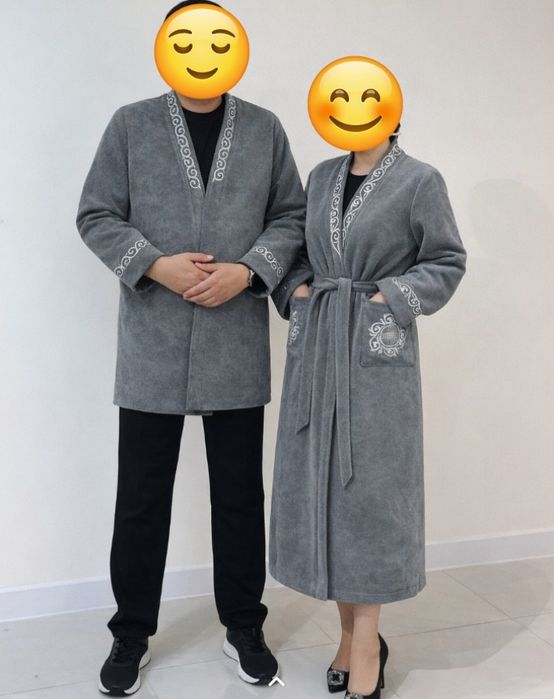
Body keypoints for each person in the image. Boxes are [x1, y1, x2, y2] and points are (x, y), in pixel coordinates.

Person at [75, 1, 306, 694]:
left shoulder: (264, 130)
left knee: (238, 496)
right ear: (165, 48)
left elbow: (291, 215)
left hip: (235, 340)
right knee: (141, 498)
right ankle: (130, 633)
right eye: (186, 40)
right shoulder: (131, 125)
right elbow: (96, 213)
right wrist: (154, 264)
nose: (201, 52)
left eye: (216, 40)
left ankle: (244, 626)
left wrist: (249, 271)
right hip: (153, 342)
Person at [269, 121, 467, 699]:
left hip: (376, 357)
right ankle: (350, 637)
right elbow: (296, 253)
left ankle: (366, 646)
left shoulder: (420, 180)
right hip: (318, 350)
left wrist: (389, 299)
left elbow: (447, 259)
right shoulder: (320, 177)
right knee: (327, 496)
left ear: (390, 111)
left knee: (370, 498)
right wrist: (298, 292)